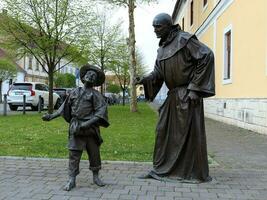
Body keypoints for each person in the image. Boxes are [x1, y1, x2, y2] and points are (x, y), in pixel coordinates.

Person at [136, 13, 215, 183]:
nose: (155, 30)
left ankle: (191, 173)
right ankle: (160, 170)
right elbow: (158, 73)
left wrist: (195, 88)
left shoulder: (184, 39)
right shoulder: (162, 49)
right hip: (172, 97)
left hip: (188, 95)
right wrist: (145, 79)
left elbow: (207, 55)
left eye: (158, 26)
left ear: (169, 26)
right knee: (162, 132)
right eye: (153, 26)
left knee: (188, 136)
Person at [42, 64, 109, 191]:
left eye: (93, 76)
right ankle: (71, 179)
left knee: (94, 153)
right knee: (74, 153)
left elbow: (100, 113)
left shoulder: (96, 95)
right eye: (88, 74)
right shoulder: (74, 92)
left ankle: (96, 176)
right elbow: (64, 108)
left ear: (95, 81)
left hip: (90, 129)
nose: (90, 76)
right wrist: (51, 116)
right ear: (83, 77)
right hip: (76, 128)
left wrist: (87, 124)